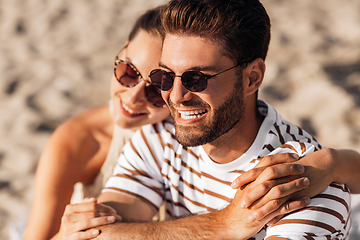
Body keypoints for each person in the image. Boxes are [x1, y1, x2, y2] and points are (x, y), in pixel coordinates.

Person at [53, 0, 360, 239]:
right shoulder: (159, 137)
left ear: (252, 77)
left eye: (196, 78)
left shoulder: (300, 186)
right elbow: (91, 235)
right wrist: (222, 225)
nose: (175, 96)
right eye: (164, 76)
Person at [22, 6, 170, 240]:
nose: (133, 97)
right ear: (123, 49)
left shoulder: (198, 138)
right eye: (128, 71)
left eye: (157, 90)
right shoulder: (81, 139)